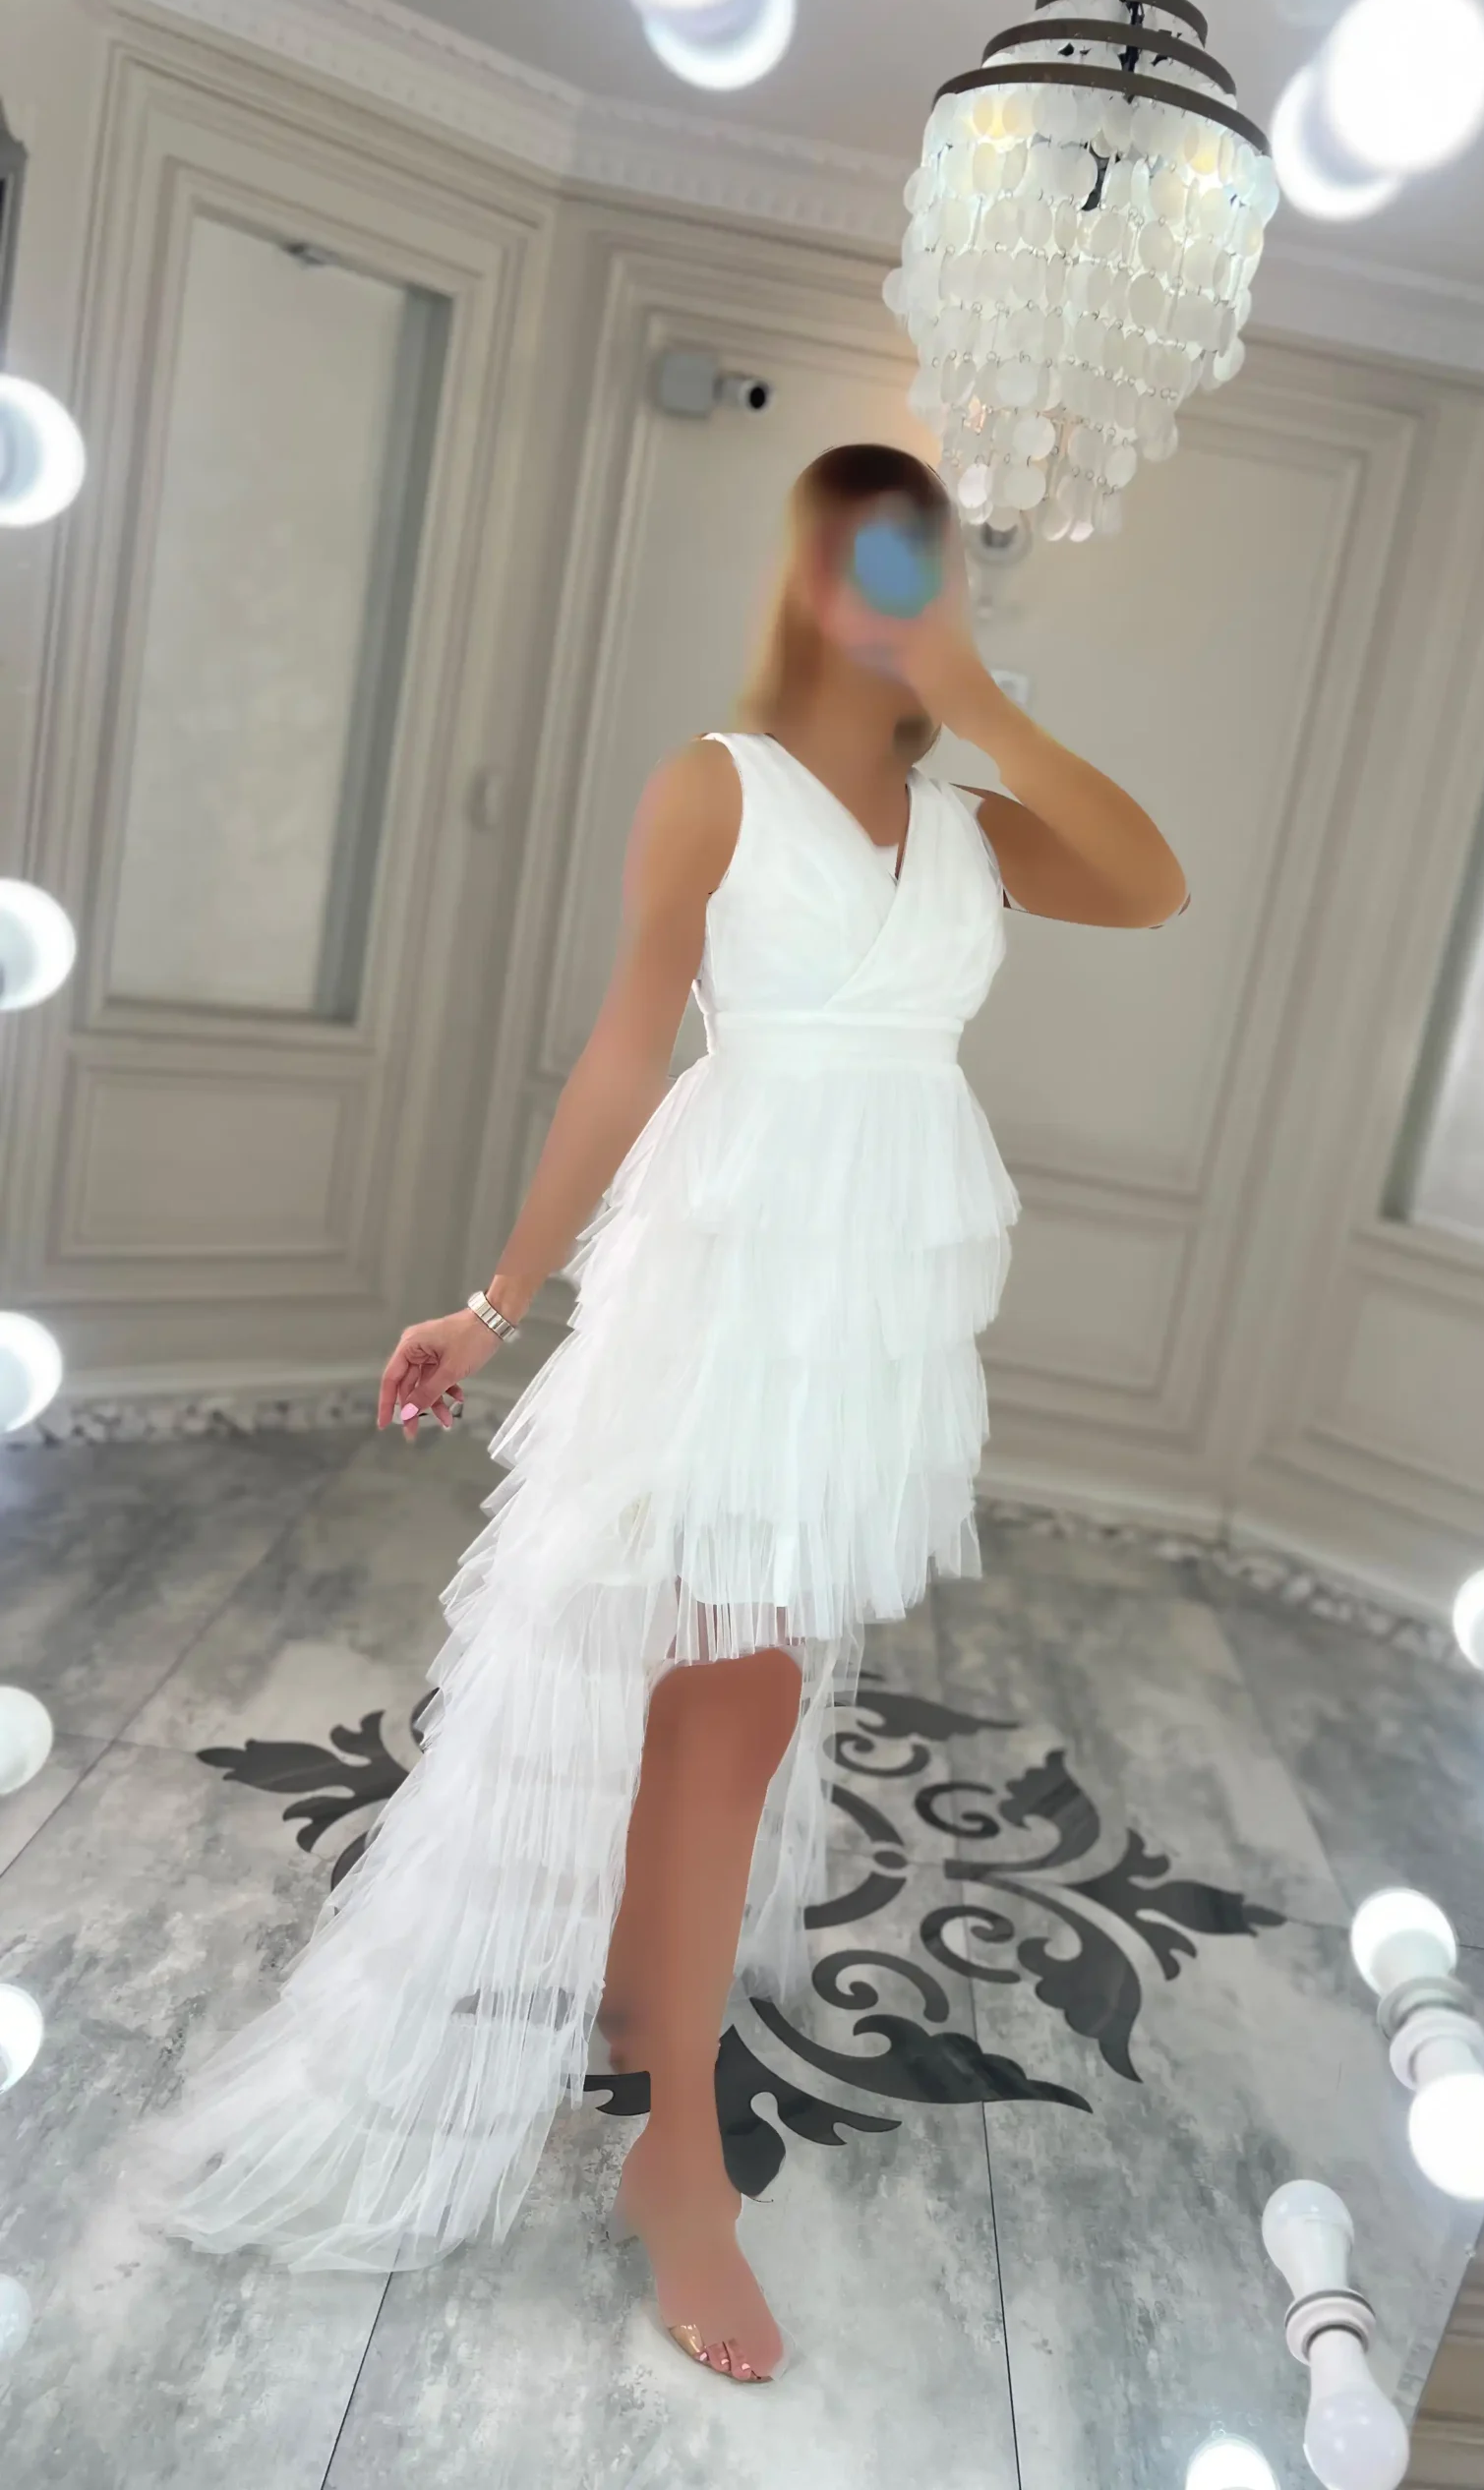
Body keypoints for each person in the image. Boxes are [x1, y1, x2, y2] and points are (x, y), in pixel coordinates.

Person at [128, 444, 1187, 2385]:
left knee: (740, 1676)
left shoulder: (971, 822)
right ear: (804, 579)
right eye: (866, 561)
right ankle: (679, 2160)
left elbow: (1150, 880)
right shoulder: (721, 784)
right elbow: (626, 1049)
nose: (897, 595)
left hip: (877, 1304)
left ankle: (642, 1992)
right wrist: (492, 1301)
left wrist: (979, 700)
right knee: (732, 1689)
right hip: (730, 1274)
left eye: (930, 568)